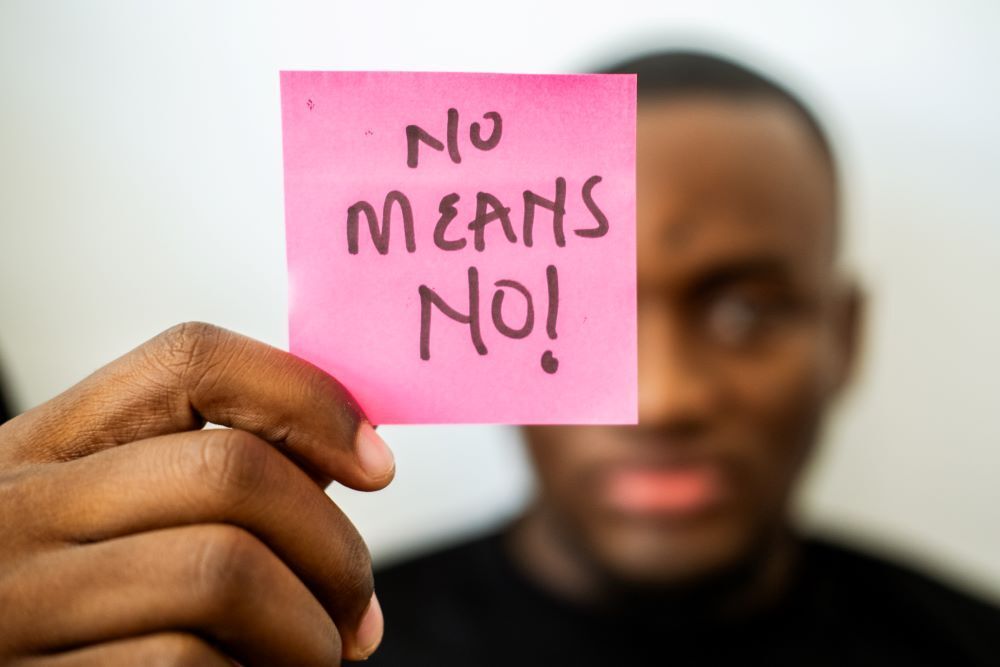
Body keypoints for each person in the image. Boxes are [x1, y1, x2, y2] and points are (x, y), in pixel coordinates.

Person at [0, 50, 995, 666]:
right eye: (583, 301)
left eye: (744, 310)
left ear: (845, 338)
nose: (663, 396)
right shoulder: (295, 645)